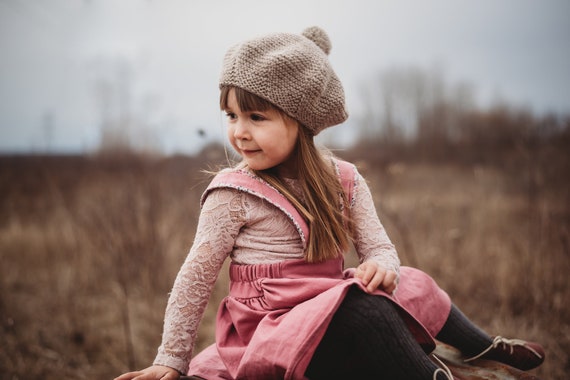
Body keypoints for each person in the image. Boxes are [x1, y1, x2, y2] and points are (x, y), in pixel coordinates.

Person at [115, 26, 545, 380]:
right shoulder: (232, 193)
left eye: (256, 117)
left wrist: (383, 266)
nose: (239, 132)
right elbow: (195, 278)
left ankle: (480, 348)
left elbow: (379, 248)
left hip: (331, 309)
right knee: (366, 310)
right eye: (231, 115)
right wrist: (170, 357)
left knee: (410, 282)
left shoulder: (343, 180)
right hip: (268, 331)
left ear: (301, 121)